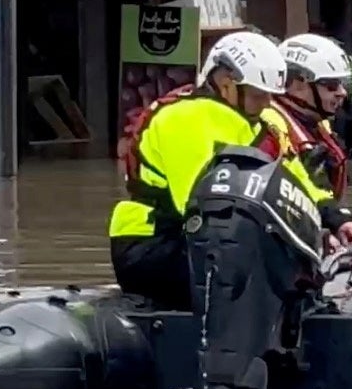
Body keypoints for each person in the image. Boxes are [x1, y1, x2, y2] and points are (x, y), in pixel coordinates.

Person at [108, 29, 285, 308]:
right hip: (153, 243)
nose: (266, 103)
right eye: (258, 94)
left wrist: (333, 218)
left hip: (191, 241)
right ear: (226, 82)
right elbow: (199, 202)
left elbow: (288, 179)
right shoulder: (186, 117)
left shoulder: (250, 123)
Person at [263, 32, 352, 250]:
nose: (341, 93)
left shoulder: (317, 124)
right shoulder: (270, 126)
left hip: (319, 229)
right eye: (331, 85)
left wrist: (339, 222)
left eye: (342, 85)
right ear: (295, 84)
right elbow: (286, 192)